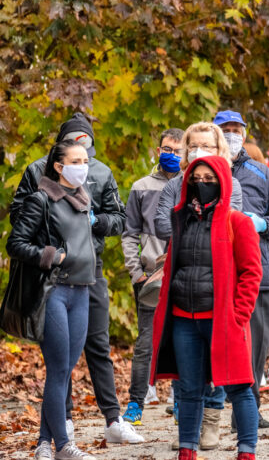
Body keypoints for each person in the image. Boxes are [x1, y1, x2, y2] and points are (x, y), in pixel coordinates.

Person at [9, 113, 142, 445]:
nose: (82, 155)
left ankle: (112, 419)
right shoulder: (37, 171)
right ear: (60, 151)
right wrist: (51, 242)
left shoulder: (100, 172)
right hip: (52, 275)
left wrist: (94, 223)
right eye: (75, 145)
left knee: (97, 344)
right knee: (59, 356)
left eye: (87, 145)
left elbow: (119, 218)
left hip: (89, 270)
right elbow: (20, 218)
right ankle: (61, 424)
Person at [149, 155, 263, 460]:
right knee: (189, 389)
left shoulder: (237, 222)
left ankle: (247, 450)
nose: (202, 185)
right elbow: (174, 266)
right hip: (184, 318)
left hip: (224, 319)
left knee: (239, 386)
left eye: (209, 180)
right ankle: (187, 448)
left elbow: (252, 272)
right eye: (196, 179)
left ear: (223, 182)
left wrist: (239, 315)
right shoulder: (181, 220)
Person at [8, 140, 98, 460]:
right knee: (59, 368)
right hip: (54, 292)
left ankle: (45, 442)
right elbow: (15, 244)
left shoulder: (83, 199)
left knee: (63, 372)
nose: (83, 166)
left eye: (85, 159)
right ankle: (64, 445)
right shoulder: (41, 199)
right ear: (59, 167)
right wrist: (49, 255)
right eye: (76, 160)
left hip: (83, 291)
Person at [213, 110, 269, 436]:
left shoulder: (262, 173)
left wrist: (262, 224)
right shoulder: (203, 172)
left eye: (236, 129)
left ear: (244, 134)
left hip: (258, 273)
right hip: (214, 273)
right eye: (225, 130)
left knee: (256, 348)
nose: (232, 135)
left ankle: (248, 415)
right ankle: (203, 418)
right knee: (215, 347)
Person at [121, 128, 184, 426]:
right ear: (158, 150)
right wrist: (135, 272)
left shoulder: (193, 185)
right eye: (166, 149)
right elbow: (129, 232)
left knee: (183, 338)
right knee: (146, 342)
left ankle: (179, 400)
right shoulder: (141, 186)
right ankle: (136, 402)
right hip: (149, 278)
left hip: (184, 276)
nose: (171, 155)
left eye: (177, 150)